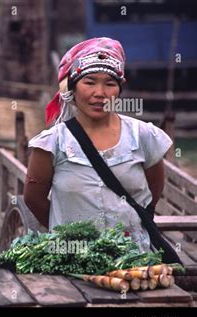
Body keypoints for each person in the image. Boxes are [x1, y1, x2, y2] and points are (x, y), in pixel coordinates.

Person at [24, 37, 172, 252]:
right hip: (73, 262)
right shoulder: (52, 143)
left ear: (119, 89)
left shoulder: (143, 136)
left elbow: (153, 191)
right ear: (73, 88)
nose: (100, 93)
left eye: (110, 84)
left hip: (134, 259)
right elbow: (33, 199)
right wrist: (70, 234)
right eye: (90, 82)